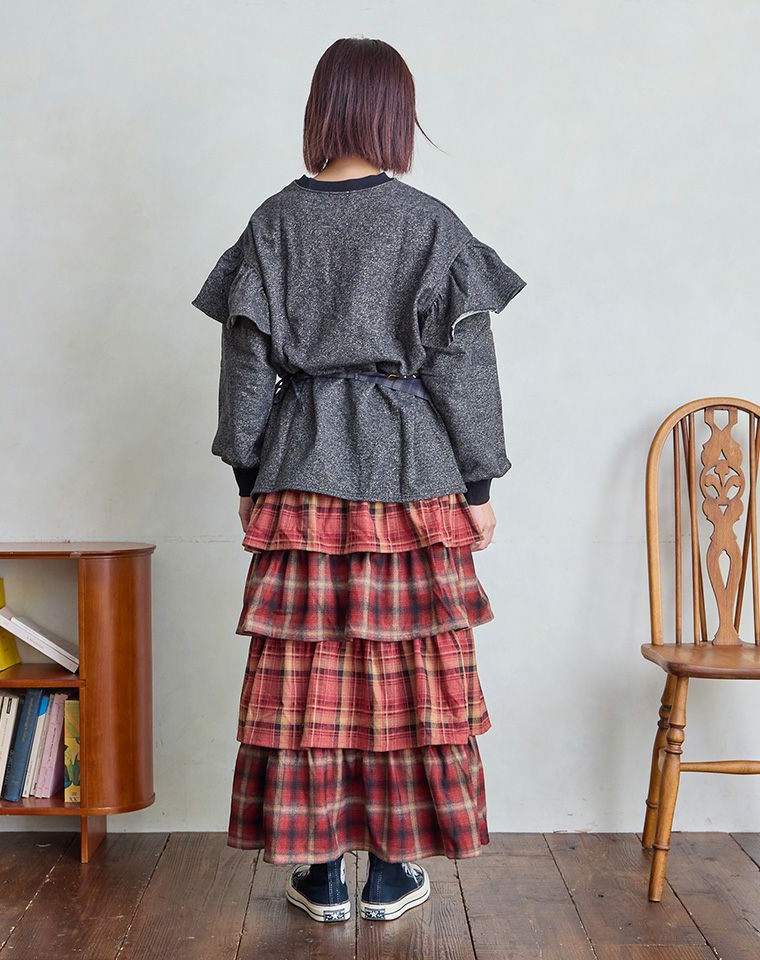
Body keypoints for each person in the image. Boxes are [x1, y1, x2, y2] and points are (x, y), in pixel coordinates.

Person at [191, 36, 525, 924]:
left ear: (322, 111)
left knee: (311, 678)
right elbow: (465, 368)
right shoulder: (429, 222)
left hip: (300, 474)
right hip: (413, 477)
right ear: (395, 115)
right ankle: (390, 872)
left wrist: (249, 472)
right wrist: (480, 486)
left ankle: (321, 873)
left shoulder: (273, 223)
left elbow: (246, 366)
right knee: (407, 675)